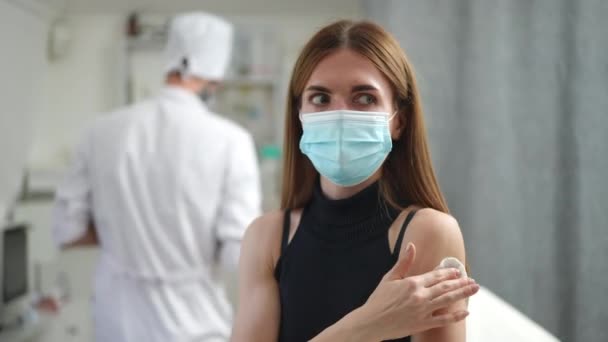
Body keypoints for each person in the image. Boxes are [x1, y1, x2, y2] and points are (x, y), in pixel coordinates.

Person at [231, 20, 478, 342]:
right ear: (299, 115)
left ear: (399, 121)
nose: (340, 114)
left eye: (364, 98)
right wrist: (365, 327)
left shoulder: (427, 232)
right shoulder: (266, 237)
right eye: (320, 99)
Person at [51, 12, 261, 342]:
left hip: (117, 323)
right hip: (195, 324)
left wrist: (126, 235)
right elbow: (238, 253)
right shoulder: (231, 141)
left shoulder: (102, 131)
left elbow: (67, 229)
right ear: (213, 78)